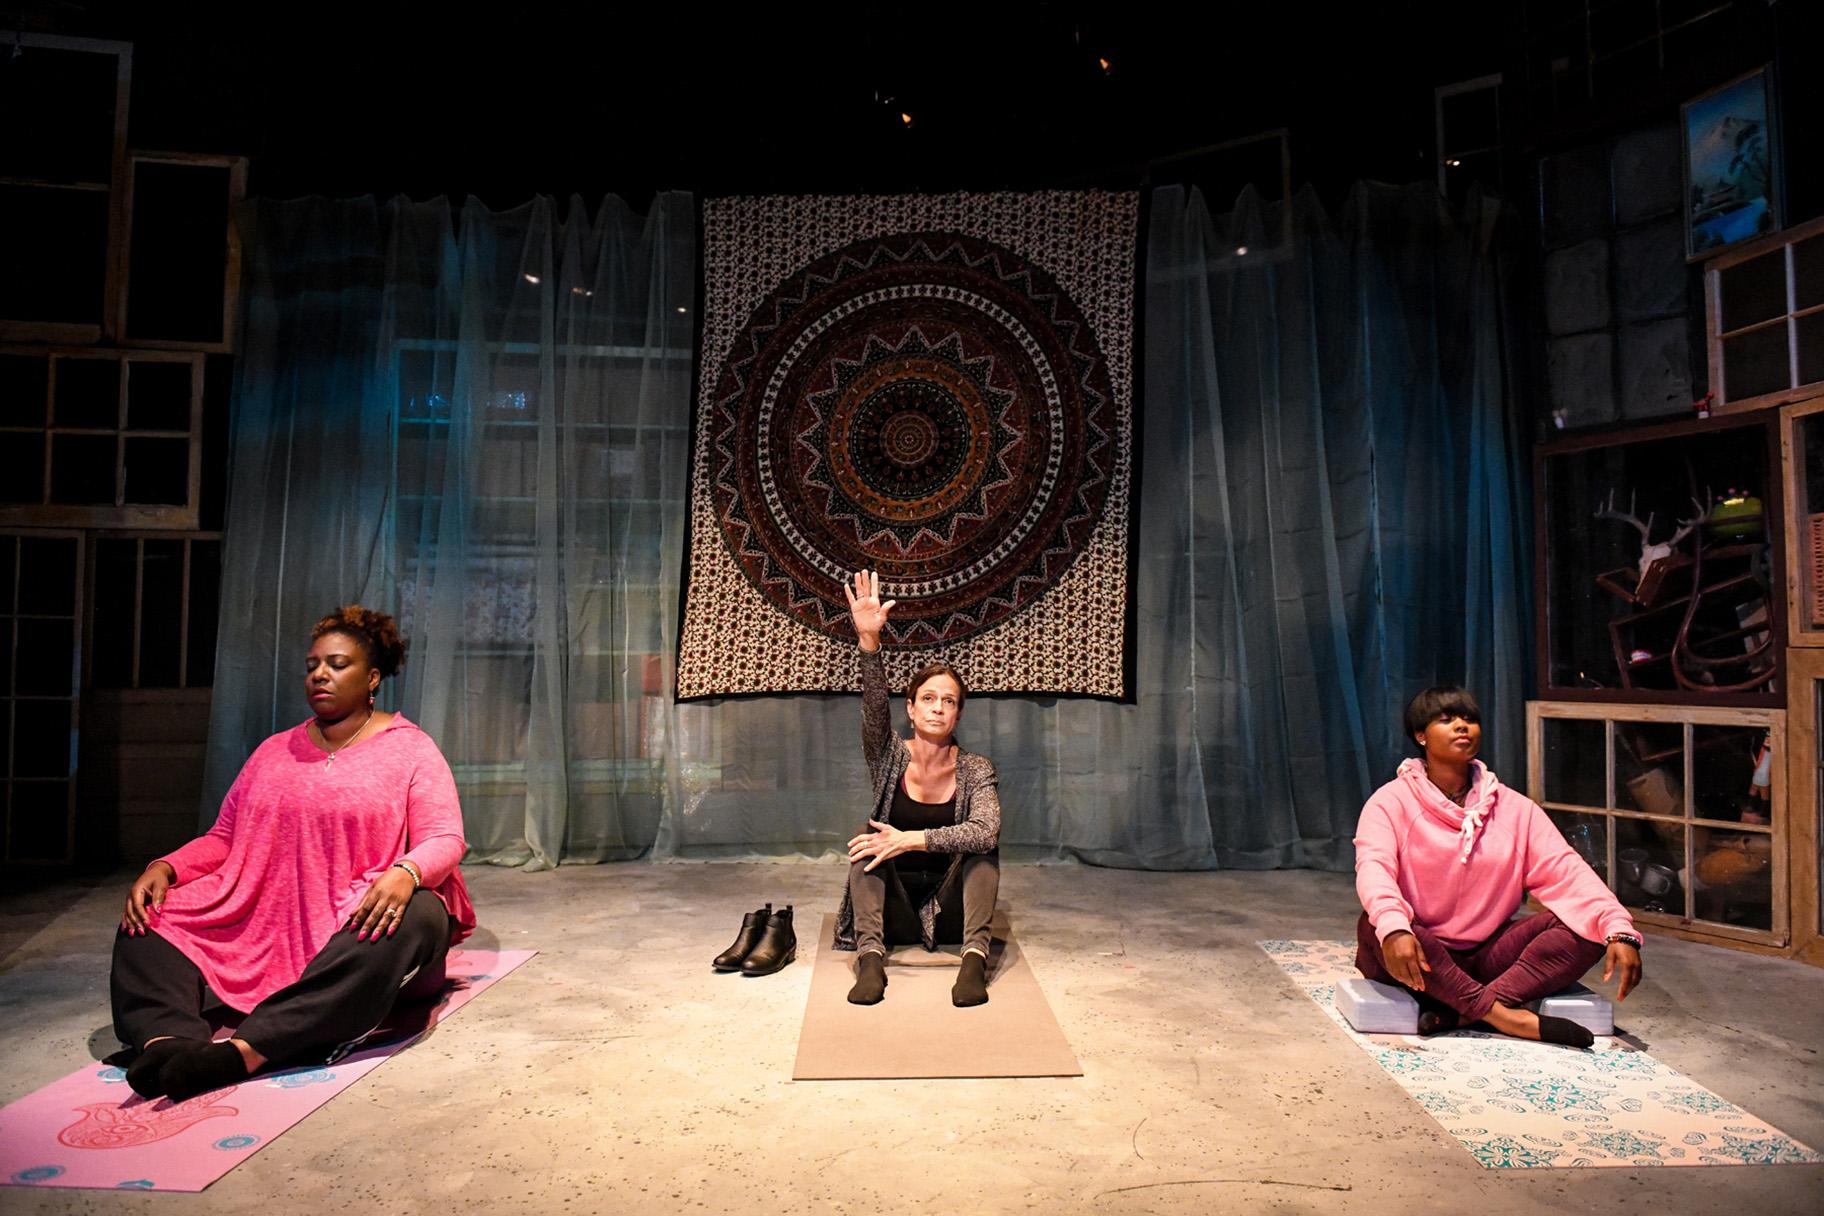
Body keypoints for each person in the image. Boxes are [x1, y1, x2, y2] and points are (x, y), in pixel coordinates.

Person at [110, 605, 476, 1100]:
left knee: (413, 914)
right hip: (272, 921)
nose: (320, 674)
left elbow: (445, 838)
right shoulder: (272, 751)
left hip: (358, 925)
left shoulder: (410, 749)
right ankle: (168, 1043)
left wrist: (406, 872)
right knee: (149, 915)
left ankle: (247, 1050)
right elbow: (224, 838)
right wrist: (167, 866)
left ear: (372, 678)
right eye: (312, 666)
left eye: (337, 664)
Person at [1353, 686, 1644, 1048]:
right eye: (1446, 720)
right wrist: (1395, 929)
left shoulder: (1515, 809)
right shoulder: (1389, 802)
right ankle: (1506, 1017)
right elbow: (1374, 870)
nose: (1462, 726)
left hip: (1487, 957)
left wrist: (1619, 929)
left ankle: (1462, 1012)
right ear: (1420, 735)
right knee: (1377, 924)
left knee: (1585, 925)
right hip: (1418, 955)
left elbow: (1567, 871)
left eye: (1469, 719)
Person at [832, 570, 1001, 1007]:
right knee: (870, 843)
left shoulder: (976, 768)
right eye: (928, 698)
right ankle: (870, 960)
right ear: (910, 709)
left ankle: (974, 960)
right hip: (894, 912)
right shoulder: (889, 756)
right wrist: (869, 643)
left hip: (951, 913)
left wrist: (910, 839)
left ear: (957, 715)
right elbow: (873, 712)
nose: (937, 708)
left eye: (948, 701)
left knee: (983, 853)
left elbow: (986, 831)